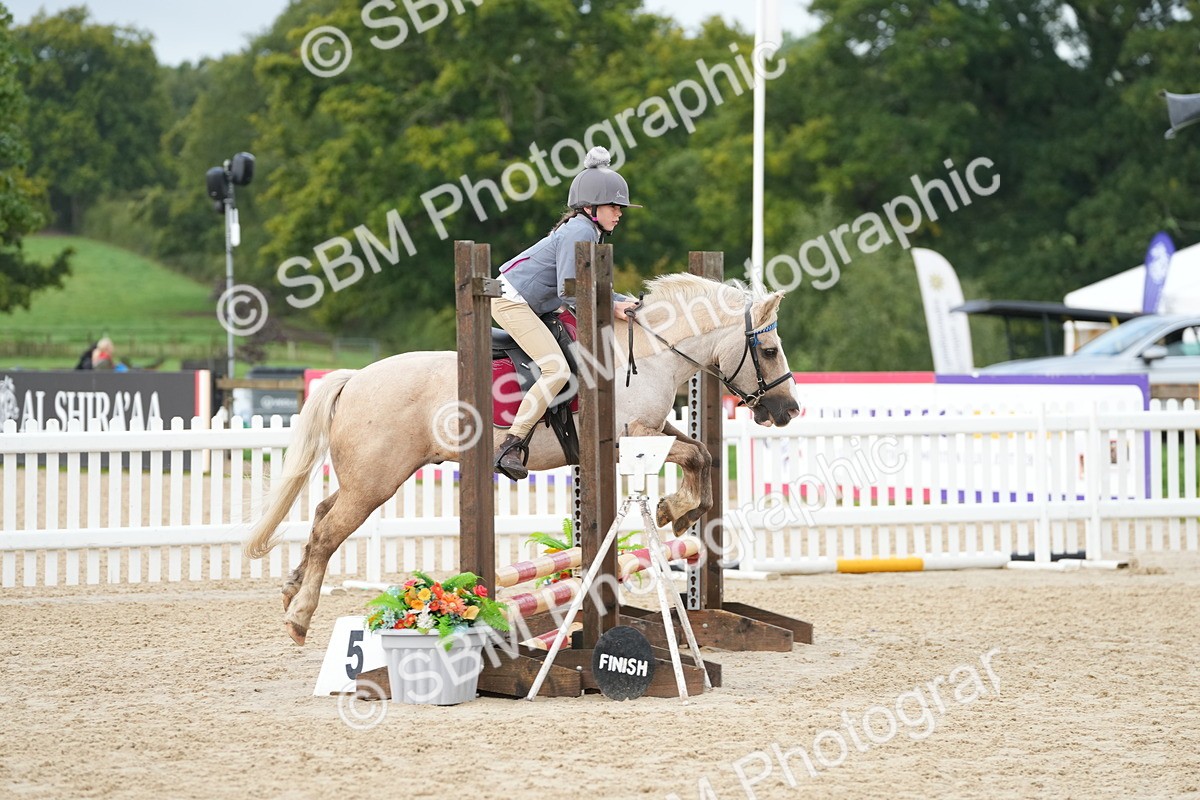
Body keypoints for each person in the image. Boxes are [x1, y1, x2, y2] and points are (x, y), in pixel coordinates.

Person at [491, 146, 640, 479]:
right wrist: (614, 306)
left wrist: (625, 301)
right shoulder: (581, 231)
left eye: (620, 207)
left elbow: (592, 288)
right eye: (614, 206)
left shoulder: (587, 231)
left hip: (528, 302)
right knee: (556, 369)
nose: (620, 213)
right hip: (511, 301)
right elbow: (570, 292)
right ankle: (510, 444)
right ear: (592, 206)